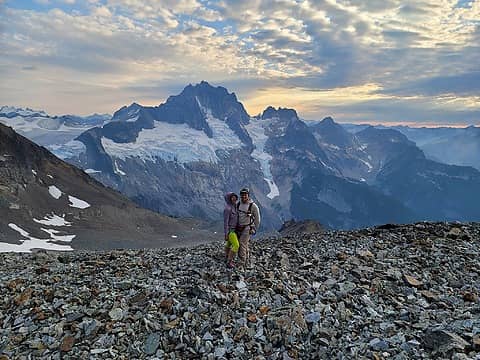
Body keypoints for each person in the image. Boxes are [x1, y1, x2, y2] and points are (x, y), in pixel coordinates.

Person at [236, 188, 260, 267]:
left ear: (248, 195)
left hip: (247, 228)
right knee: (244, 245)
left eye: (245, 195)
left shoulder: (253, 206)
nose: (243, 196)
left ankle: (241, 263)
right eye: (242, 195)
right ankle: (247, 260)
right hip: (239, 227)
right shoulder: (238, 204)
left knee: (241, 244)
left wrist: (254, 228)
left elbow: (257, 219)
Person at [223, 192, 239, 268]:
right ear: (229, 198)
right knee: (236, 245)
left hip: (235, 230)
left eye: (235, 197)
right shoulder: (227, 209)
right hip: (231, 231)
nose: (234, 198)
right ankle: (229, 261)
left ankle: (226, 257)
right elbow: (225, 222)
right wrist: (226, 234)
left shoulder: (235, 206)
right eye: (232, 197)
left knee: (229, 244)